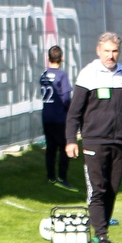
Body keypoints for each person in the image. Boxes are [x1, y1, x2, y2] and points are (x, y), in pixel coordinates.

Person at [65, 32, 122, 243]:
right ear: (99, 51)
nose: (111, 55)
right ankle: (100, 237)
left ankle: (102, 235)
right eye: (107, 51)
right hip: (94, 141)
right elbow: (74, 112)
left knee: (112, 189)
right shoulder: (88, 74)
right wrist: (71, 139)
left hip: (119, 142)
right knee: (97, 190)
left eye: (115, 51)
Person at [39, 45, 76, 192]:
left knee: (50, 148)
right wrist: (70, 113)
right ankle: (62, 177)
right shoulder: (62, 75)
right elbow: (66, 98)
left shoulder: (43, 75)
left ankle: (51, 177)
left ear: (48, 58)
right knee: (65, 147)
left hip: (47, 116)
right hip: (60, 117)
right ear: (62, 59)